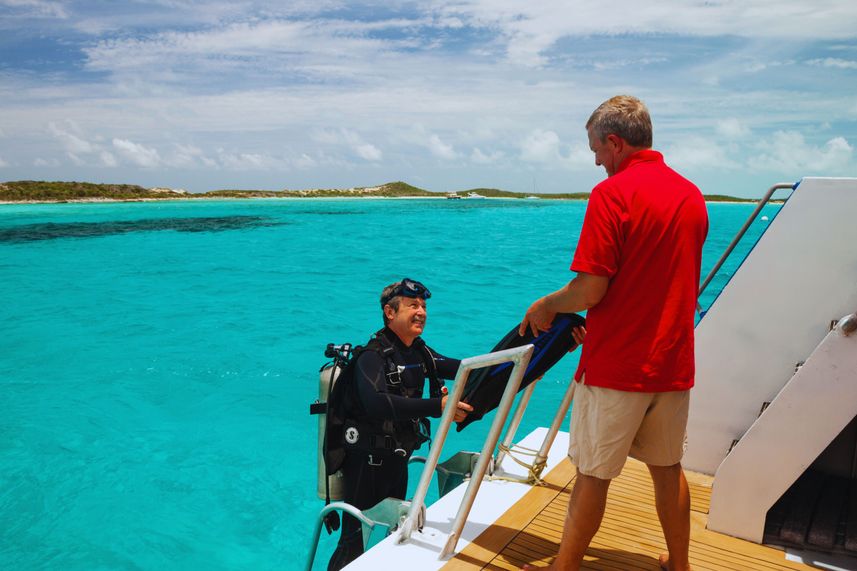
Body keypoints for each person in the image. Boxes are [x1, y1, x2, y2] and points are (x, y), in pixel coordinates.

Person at [519, 95, 708, 571]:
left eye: (596, 151)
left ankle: (564, 568)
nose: (597, 161)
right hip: (673, 363)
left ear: (615, 142)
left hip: (617, 367)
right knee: (668, 471)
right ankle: (680, 565)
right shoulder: (691, 195)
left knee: (592, 475)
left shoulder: (612, 194)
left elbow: (590, 289)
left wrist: (545, 306)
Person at [328, 278, 473, 571]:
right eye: (413, 305)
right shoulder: (372, 356)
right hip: (365, 465)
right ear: (390, 312)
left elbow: (463, 368)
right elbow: (378, 403)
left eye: (423, 306)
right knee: (354, 540)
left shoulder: (419, 352)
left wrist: (516, 364)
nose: (421, 312)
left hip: (397, 460)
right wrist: (438, 406)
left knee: (395, 532)